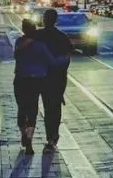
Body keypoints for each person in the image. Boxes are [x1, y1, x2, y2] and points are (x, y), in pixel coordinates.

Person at [14, 19, 69, 155]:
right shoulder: (40, 46)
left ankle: (23, 132)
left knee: (22, 108)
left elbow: (16, 55)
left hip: (20, 80)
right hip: (36, 81)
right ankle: (29, 143)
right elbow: (53, 62)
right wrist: (66, 58)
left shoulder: (19, 42)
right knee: (32, 110)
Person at [35, 9, 72, 154]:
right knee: (54, 108)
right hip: (58, 78)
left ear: (44, 20)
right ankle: (52, 137)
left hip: (42, 77)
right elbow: (67, 58)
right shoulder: (62, 37)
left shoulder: (38, 35)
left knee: (47, 107)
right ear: (56, 20)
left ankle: (50, 136)